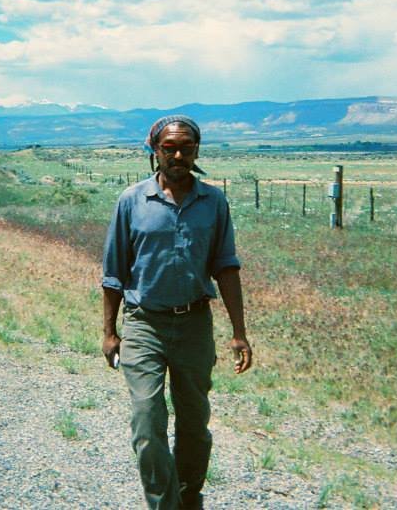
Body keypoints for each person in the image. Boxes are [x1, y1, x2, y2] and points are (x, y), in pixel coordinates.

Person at [101, 114, 252, 510]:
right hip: (143, 323)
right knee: (148, 424)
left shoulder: (213, 201)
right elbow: (114, 272)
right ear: (155, 151)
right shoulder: (132, 201)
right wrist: (109, 332)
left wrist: (239, 332)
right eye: (169, 147)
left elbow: (226, 266)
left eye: (187, 147)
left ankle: (189, 499)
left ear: (197, 151)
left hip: (194, 325)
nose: (178, 154)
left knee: (194, 427)